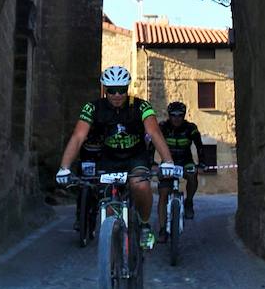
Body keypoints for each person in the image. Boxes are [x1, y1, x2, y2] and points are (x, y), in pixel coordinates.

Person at [56, 65, 176, 249]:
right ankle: (114, 261)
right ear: (105, 89)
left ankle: (144, 226)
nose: (117, 95)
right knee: (109, 206)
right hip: (109, 159)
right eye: (112, 91)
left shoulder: (141, 106)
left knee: (140, 185)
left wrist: (168, 161)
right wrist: (64, 167)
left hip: (135, 157)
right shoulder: (92, 108)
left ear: (127, 89)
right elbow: (78, 136)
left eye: (122, 90)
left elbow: (154, 132)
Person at [156, 101, 206, 242]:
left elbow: (200, 146)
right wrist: (151, 163)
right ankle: (161, 230)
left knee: (192, 174)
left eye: (180, 115)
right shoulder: (163, 127)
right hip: (168, 162)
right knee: (163, 195)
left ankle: (189, 201)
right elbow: (151, 144)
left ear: (184, 116)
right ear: (169, 115)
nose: (176, 118)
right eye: (173, 115)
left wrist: (202, 163)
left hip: (186, 161)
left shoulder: (190, 128)